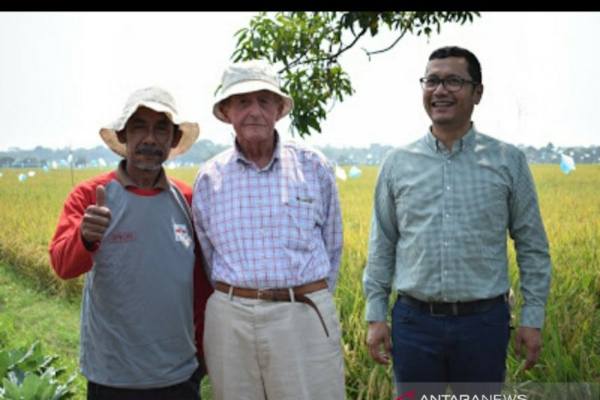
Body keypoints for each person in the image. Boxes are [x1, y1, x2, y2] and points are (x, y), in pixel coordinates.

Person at [363, 46, 552, 397]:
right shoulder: (397, 163)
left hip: (483, 324)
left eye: (454, 81)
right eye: (432, 80)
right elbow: (382, 244)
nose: (440, 90)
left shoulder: (508, 161)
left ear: (477, 92)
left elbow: (532, 246)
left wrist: (532, 317)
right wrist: (376, 316)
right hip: (413, 324)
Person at [192, 60, 345, 400]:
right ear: (227, 111)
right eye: (243, 101)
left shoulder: (313, 166)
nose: (254, 111)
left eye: (264, 100)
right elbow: (207, 254)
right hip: (230, 318)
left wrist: (299, 296)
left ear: (279, 109)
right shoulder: (209, 177)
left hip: (302, 312)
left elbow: (333, 245)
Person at [49, 86, 212, 400]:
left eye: (161, 129)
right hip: (112, 375)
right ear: (123, 135)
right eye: (139, 127)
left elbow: (201, 287)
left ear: (174, 140)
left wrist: (202, 357)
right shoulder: (89, 195)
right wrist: (85, 236)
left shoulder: (189, 200)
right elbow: (62, 265)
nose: (149, 138)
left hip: (178, 374)